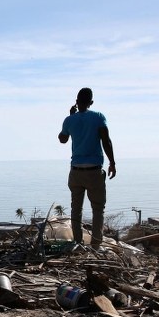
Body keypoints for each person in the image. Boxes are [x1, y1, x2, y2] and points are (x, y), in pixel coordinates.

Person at [58, 87, 116, 249]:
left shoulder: (69, 120)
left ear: (76, 102)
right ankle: (96, 245)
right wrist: (112, 162)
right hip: (94, 171)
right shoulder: (98, 117)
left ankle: (78, 243)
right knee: (98, 209)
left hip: (76, 171)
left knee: (76, 209)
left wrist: (71, 117)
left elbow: (62, 139)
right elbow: (106, 141)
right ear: (91, 102)